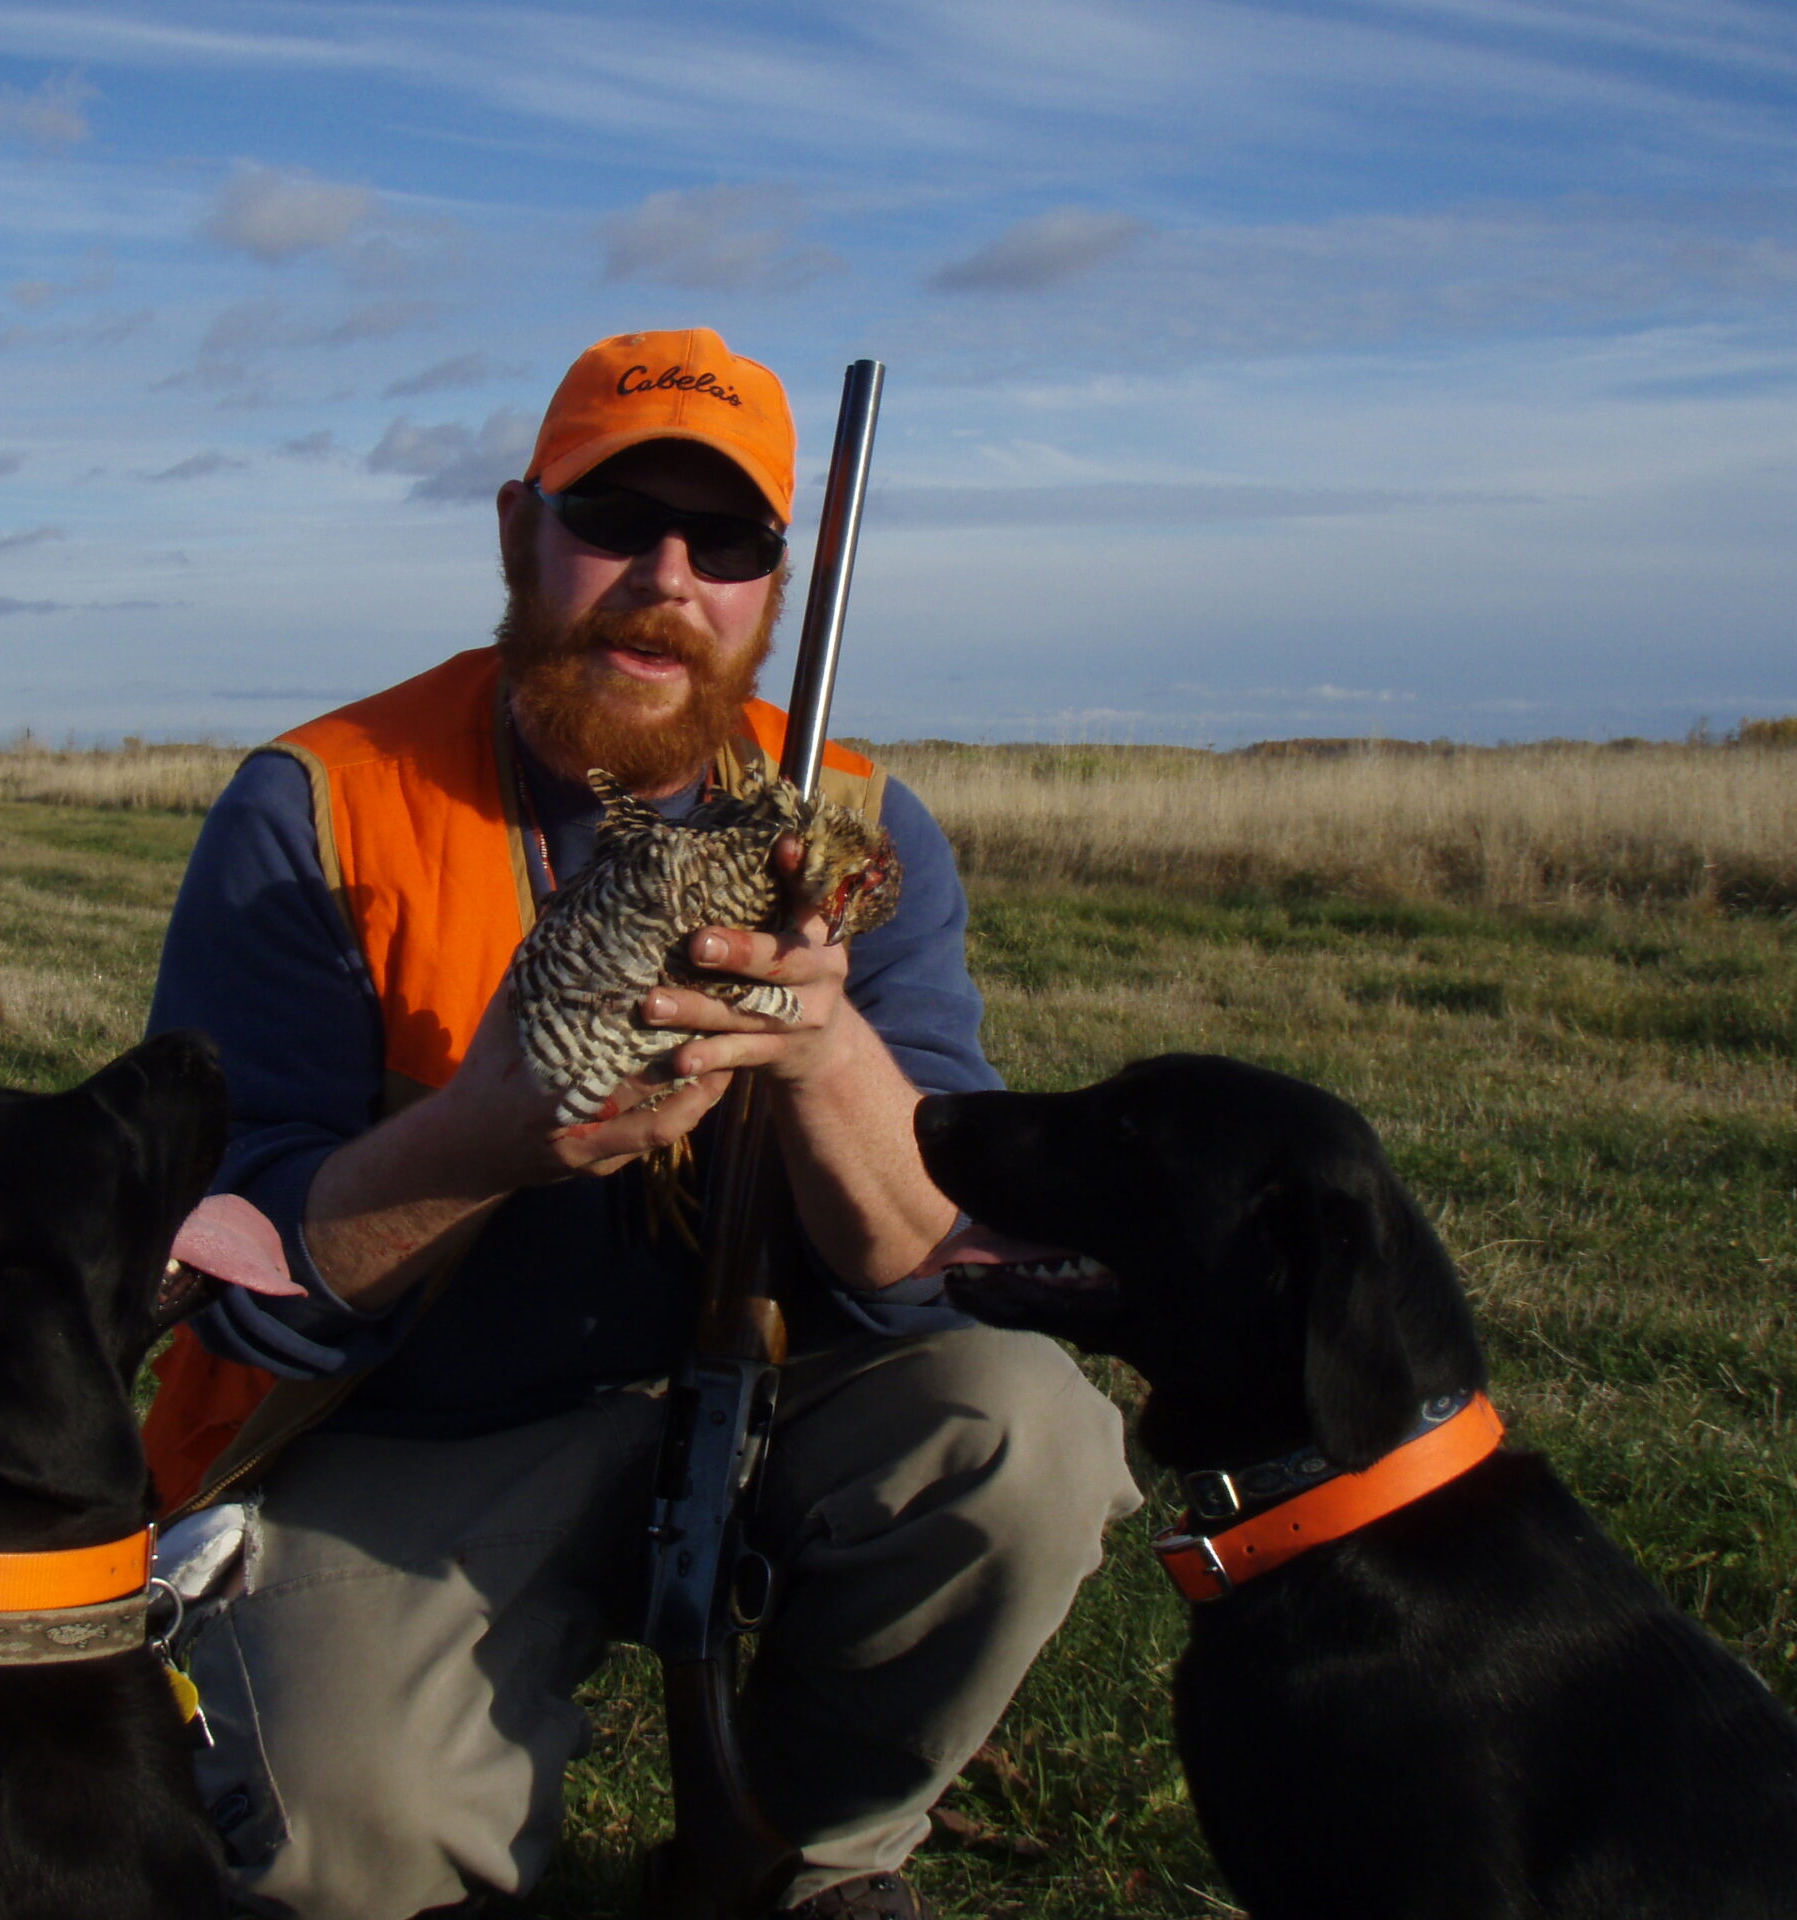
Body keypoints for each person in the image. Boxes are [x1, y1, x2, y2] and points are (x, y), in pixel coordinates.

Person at [143, 327, 1139, 1920]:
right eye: (613, 519)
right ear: (516, 532)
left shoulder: (857, 830)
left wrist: (819, 1053)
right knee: (341, 1831)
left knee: (1027, 1435)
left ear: (772, 589)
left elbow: (928, 1270)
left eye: (727, 539)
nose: (665, 575)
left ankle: (808, 1862)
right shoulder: (319, 807)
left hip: (763, 1394)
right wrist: (476, 1141)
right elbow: (235, 1286)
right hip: (421, 1432)